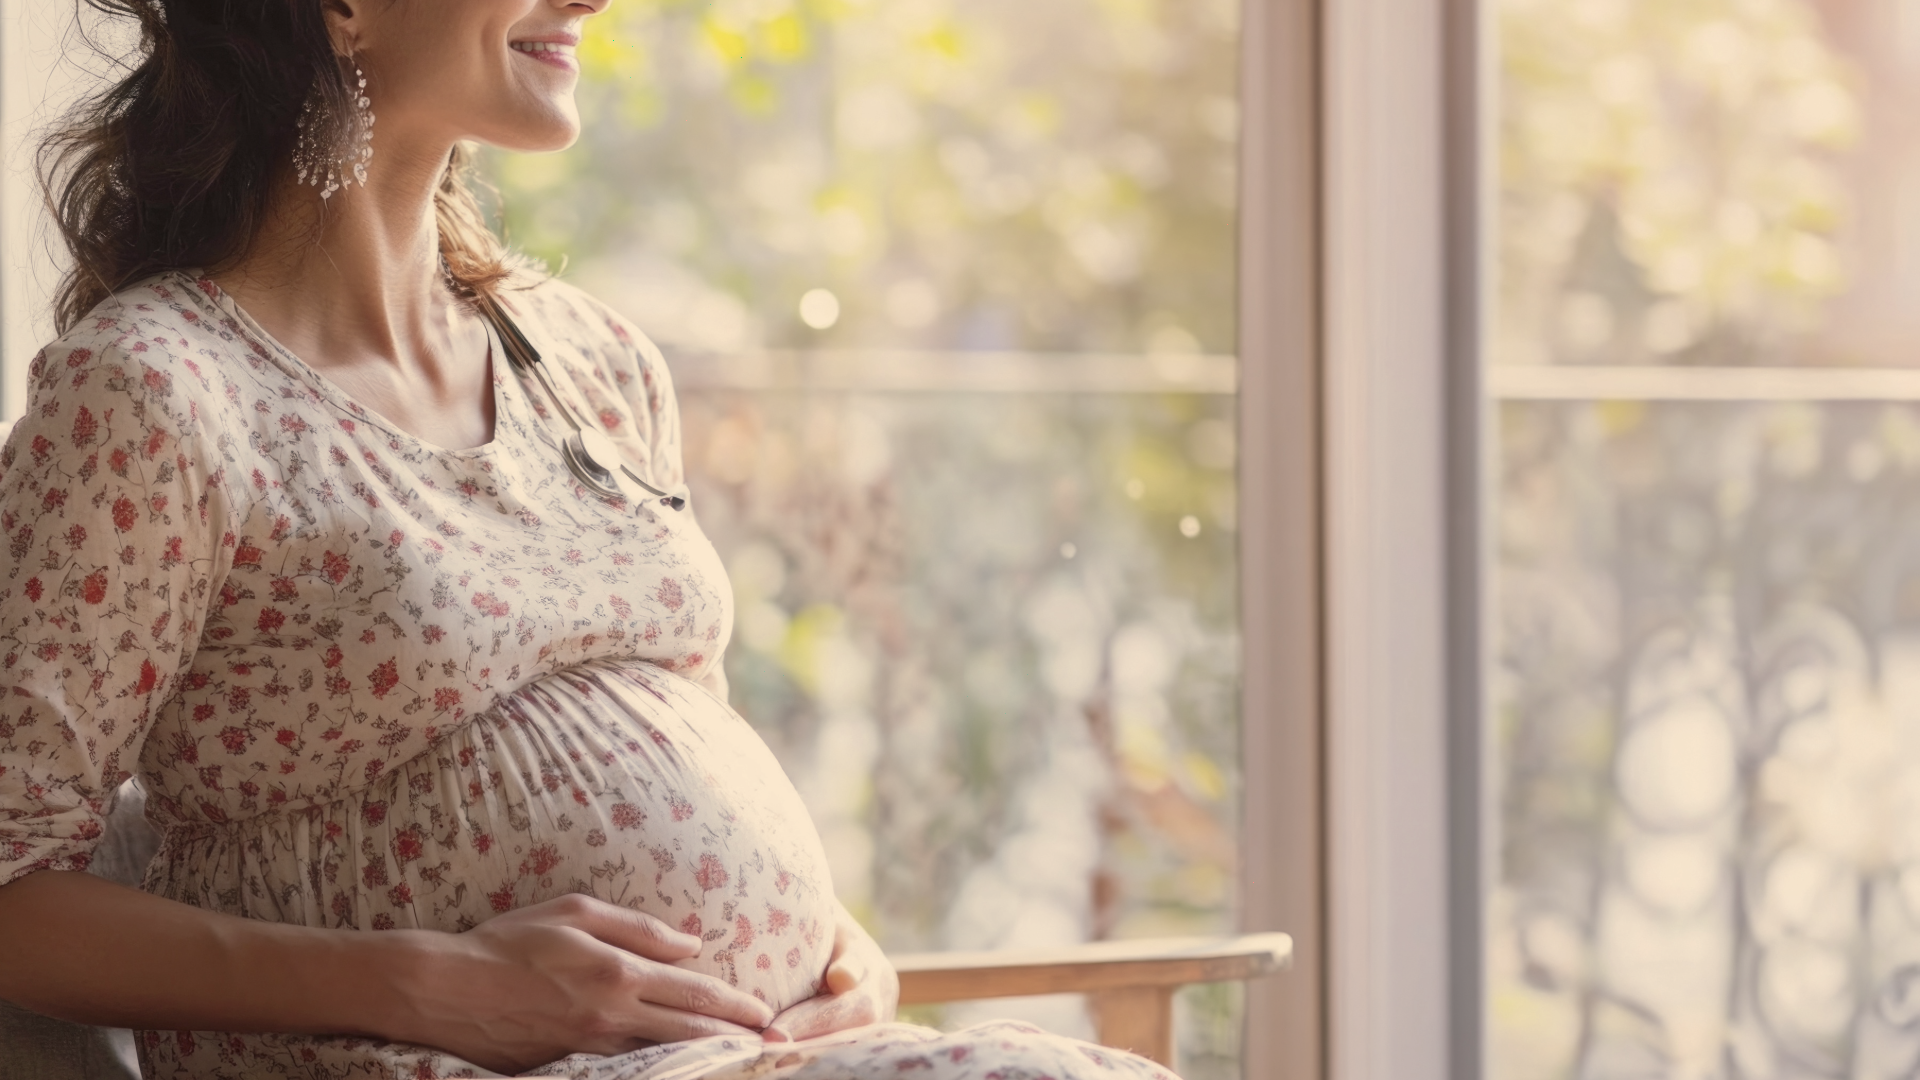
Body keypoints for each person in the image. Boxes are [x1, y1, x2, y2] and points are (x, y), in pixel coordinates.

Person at [0, 1, 1182, 1078]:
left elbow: (692, 758)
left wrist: (839, 949)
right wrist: (428, 987)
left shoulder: (587, 358)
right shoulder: (154, 394)